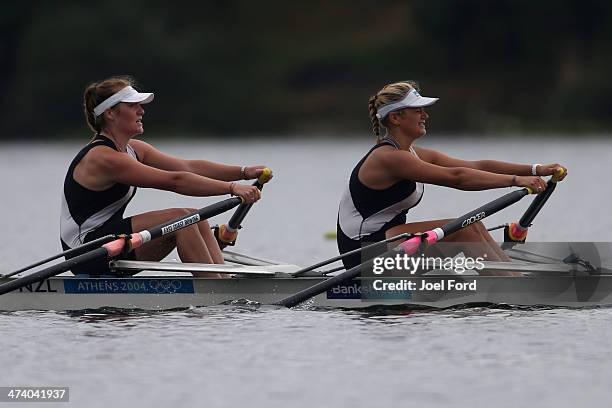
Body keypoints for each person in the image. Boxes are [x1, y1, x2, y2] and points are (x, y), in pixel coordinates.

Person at [336, 80, 567, 271]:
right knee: (463, 228)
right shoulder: (388, 158)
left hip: (387, 241)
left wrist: (535, 170)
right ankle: (511, 285)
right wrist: (516, 181)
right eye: (418, 110)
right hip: (363, 252)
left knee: (473, 225)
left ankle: (510, 276)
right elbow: (458, 177)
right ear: (395, 118)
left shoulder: (412, 153)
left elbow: (476, 165)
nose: (425, 115)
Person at [60, 76, 270, 277]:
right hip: (86, 251)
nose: (141, 110)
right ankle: (214, 289)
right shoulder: (103, 157)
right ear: (110, 114)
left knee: (195, 216)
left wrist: (243, 172)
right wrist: (232, 188)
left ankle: (221, 282)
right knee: (182, 218)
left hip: (111, 242)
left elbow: (187, 166)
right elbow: (175, 181)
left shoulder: (133, 149)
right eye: (133, 105)